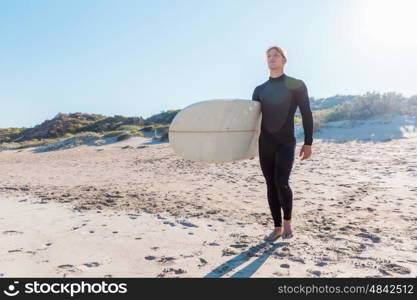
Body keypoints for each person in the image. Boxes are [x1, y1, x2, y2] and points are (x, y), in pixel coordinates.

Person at [252, 46, 313, 242]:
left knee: (281, 181)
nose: (272, 58)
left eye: (275, 55)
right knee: (270, 184)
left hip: (286, 141)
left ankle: (287, 222)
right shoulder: (260, 90)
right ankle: (277, 227)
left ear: (284, 60)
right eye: (268, 56)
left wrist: (308, 142)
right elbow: (251, 121)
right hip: (265, 143)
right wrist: (248, 147)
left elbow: (306, 114)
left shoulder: (296, 85)